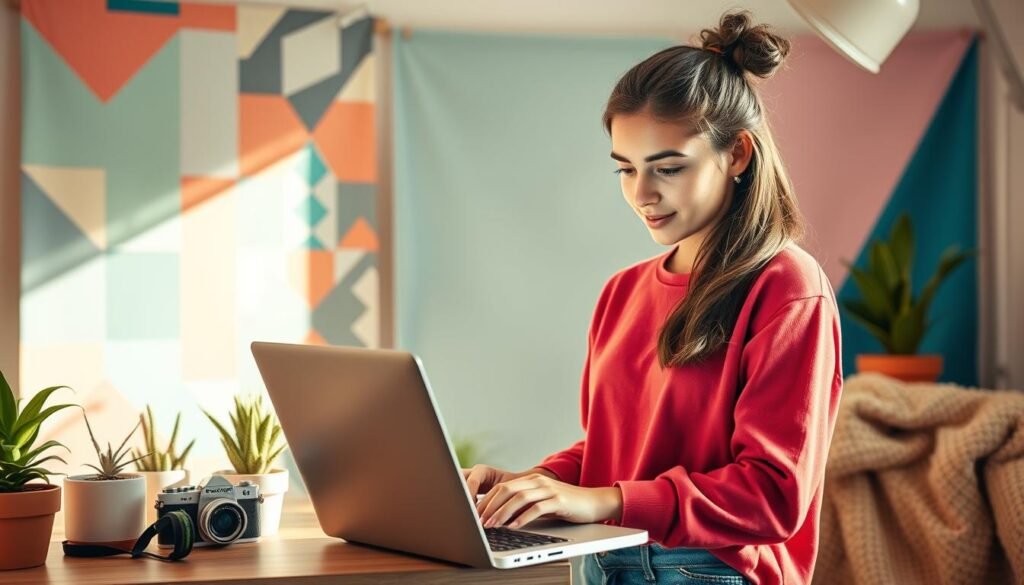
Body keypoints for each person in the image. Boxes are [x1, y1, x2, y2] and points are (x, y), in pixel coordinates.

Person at [462, 9, 843, 585]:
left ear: (737, 154)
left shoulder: (787, 288)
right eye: (625, 169)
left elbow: (773, 496)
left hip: (708, 570)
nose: (642, 194)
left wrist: (607, 502)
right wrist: (529, 486)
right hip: (602, 560)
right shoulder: (624, 290)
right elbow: (617, 452)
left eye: (668, 168)